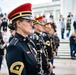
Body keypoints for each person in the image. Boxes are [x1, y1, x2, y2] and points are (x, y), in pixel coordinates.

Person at [6, 3, 39, 75]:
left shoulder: (29, 43)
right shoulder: (14, 47)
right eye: (28, 21)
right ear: (19, 23)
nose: (32, 24)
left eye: (31, 22)